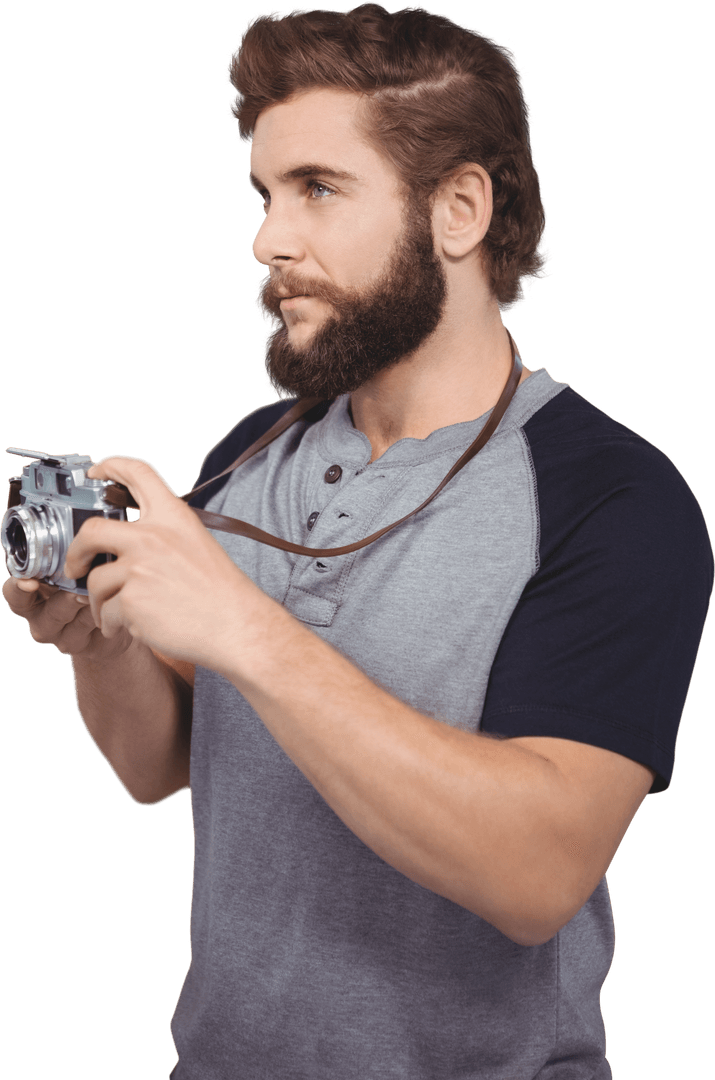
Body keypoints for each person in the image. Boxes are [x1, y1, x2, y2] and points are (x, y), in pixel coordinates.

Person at [2, 4, 712, 1078]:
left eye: (319, 190)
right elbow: (159, 767)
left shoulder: (612, 496)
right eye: (266, 195)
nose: (268, 239)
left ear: (459, 209)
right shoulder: (251, 453)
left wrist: (246, 626)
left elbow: (536, 874)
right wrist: (101, 649)